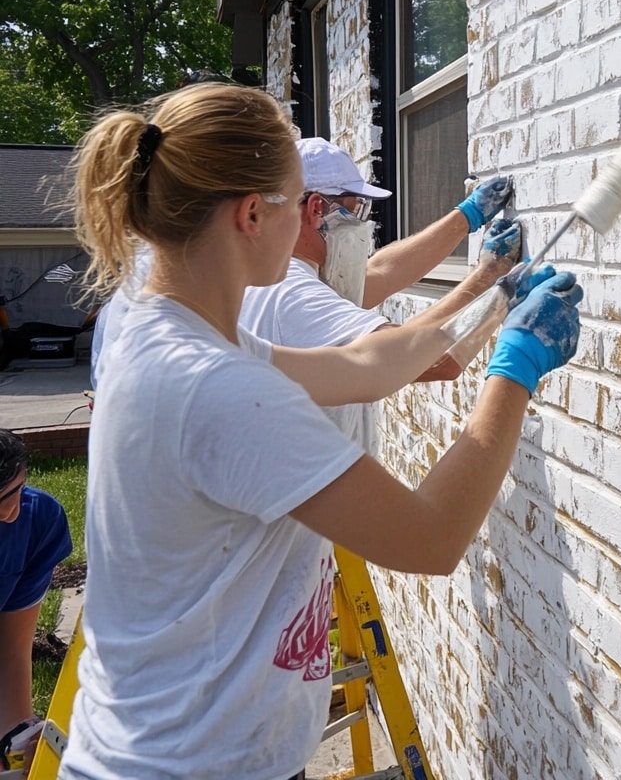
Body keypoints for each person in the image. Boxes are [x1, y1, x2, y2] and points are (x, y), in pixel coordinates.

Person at [60, 82, 582, 780]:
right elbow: (430, 538)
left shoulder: (173, 334)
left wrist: (494, 301)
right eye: (297, 199)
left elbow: (364, 364)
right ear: (253, 213)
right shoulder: (219, 388)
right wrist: (516, 368)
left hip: (164, 746)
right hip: (193, 764)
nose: (317, 223)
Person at [239, 137, 521, 447]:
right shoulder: (294, 295)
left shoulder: (269, 279)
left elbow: (382, 273)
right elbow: (433, 359)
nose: (363, 224)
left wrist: (465, 217)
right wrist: (492, 278)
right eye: (357, 209)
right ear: (317, 209)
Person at [0, 429, 73, 775]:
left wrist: (14, 743)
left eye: (16, 492)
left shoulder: (36, 522)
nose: (10, 513)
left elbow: (11, 651)